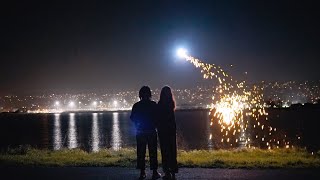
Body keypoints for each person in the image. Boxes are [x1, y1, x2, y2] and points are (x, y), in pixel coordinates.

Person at [130, 86, 161, 180]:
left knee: (141, 152)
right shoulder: (153, 104)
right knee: (153, 152)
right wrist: (154, 125)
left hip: (140, 131)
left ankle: (142, 172)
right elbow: (158, 118)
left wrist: (138, 124)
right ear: (149, 94)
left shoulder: (136, 105)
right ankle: (154, 172)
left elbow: (132, 118)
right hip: (151, 131)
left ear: (140, 95)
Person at [157, 86, 178, 179]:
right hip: (171, 131)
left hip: (163, 131)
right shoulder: (171, 103)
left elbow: (158, 119)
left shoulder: (160, 104)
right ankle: (173, 172)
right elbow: (172, 119)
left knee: (165, 152)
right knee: (172, 151)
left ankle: (167, 172)